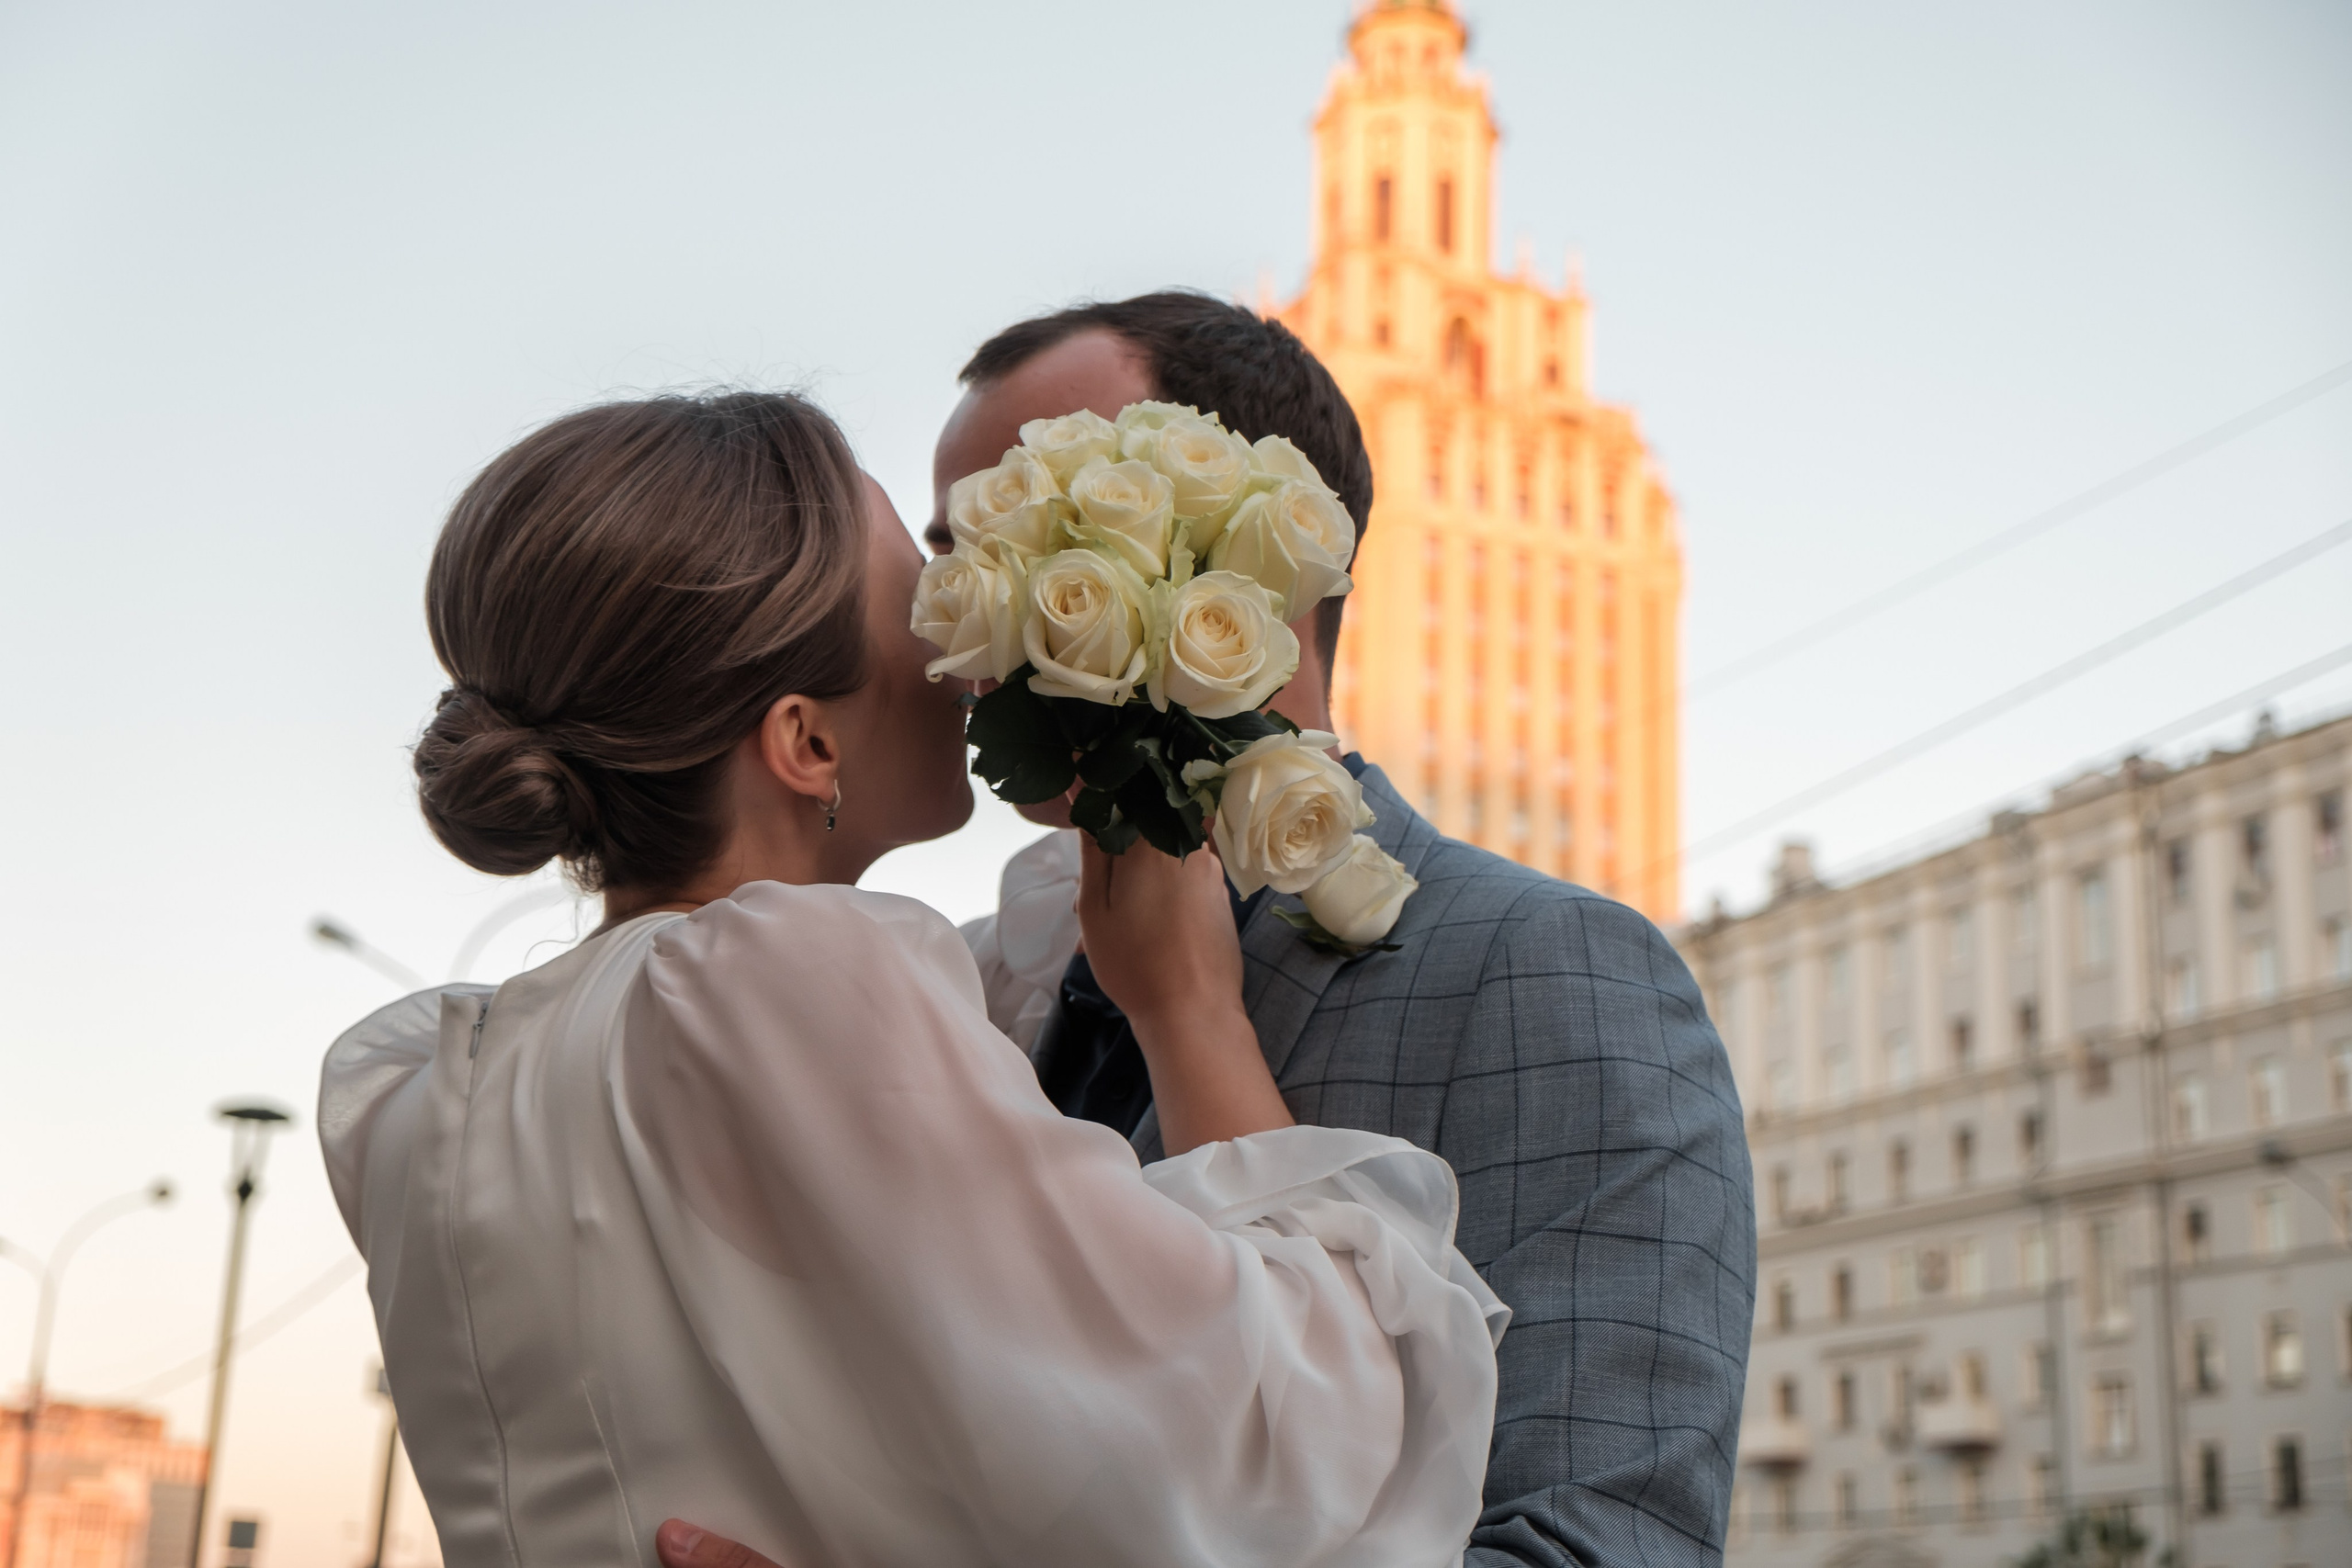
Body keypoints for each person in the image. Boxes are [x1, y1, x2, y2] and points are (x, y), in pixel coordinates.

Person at [318, 391, 1510, 1568]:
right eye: (915, 597)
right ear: (807, 743)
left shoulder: (415, 1089)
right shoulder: (790, 978)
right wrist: (1190, 1010)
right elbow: (1293, 1458)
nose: (959, 646)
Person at [664, 296, 1756, 1568]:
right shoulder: (959, 990)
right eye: (951, 550)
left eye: (1029, 528)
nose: (948, 617)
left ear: (1251, 566)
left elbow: (1596, 1545)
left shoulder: (1550, 972)